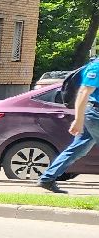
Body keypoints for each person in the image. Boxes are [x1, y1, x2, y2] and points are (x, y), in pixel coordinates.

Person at [39, 56, 99, 193]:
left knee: (78, 148)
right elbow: (84, 92)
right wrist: (78, 120)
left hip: (93, 114)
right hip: (95, 113)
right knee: (78, 148)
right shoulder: (96, 67)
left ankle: (47, 178)